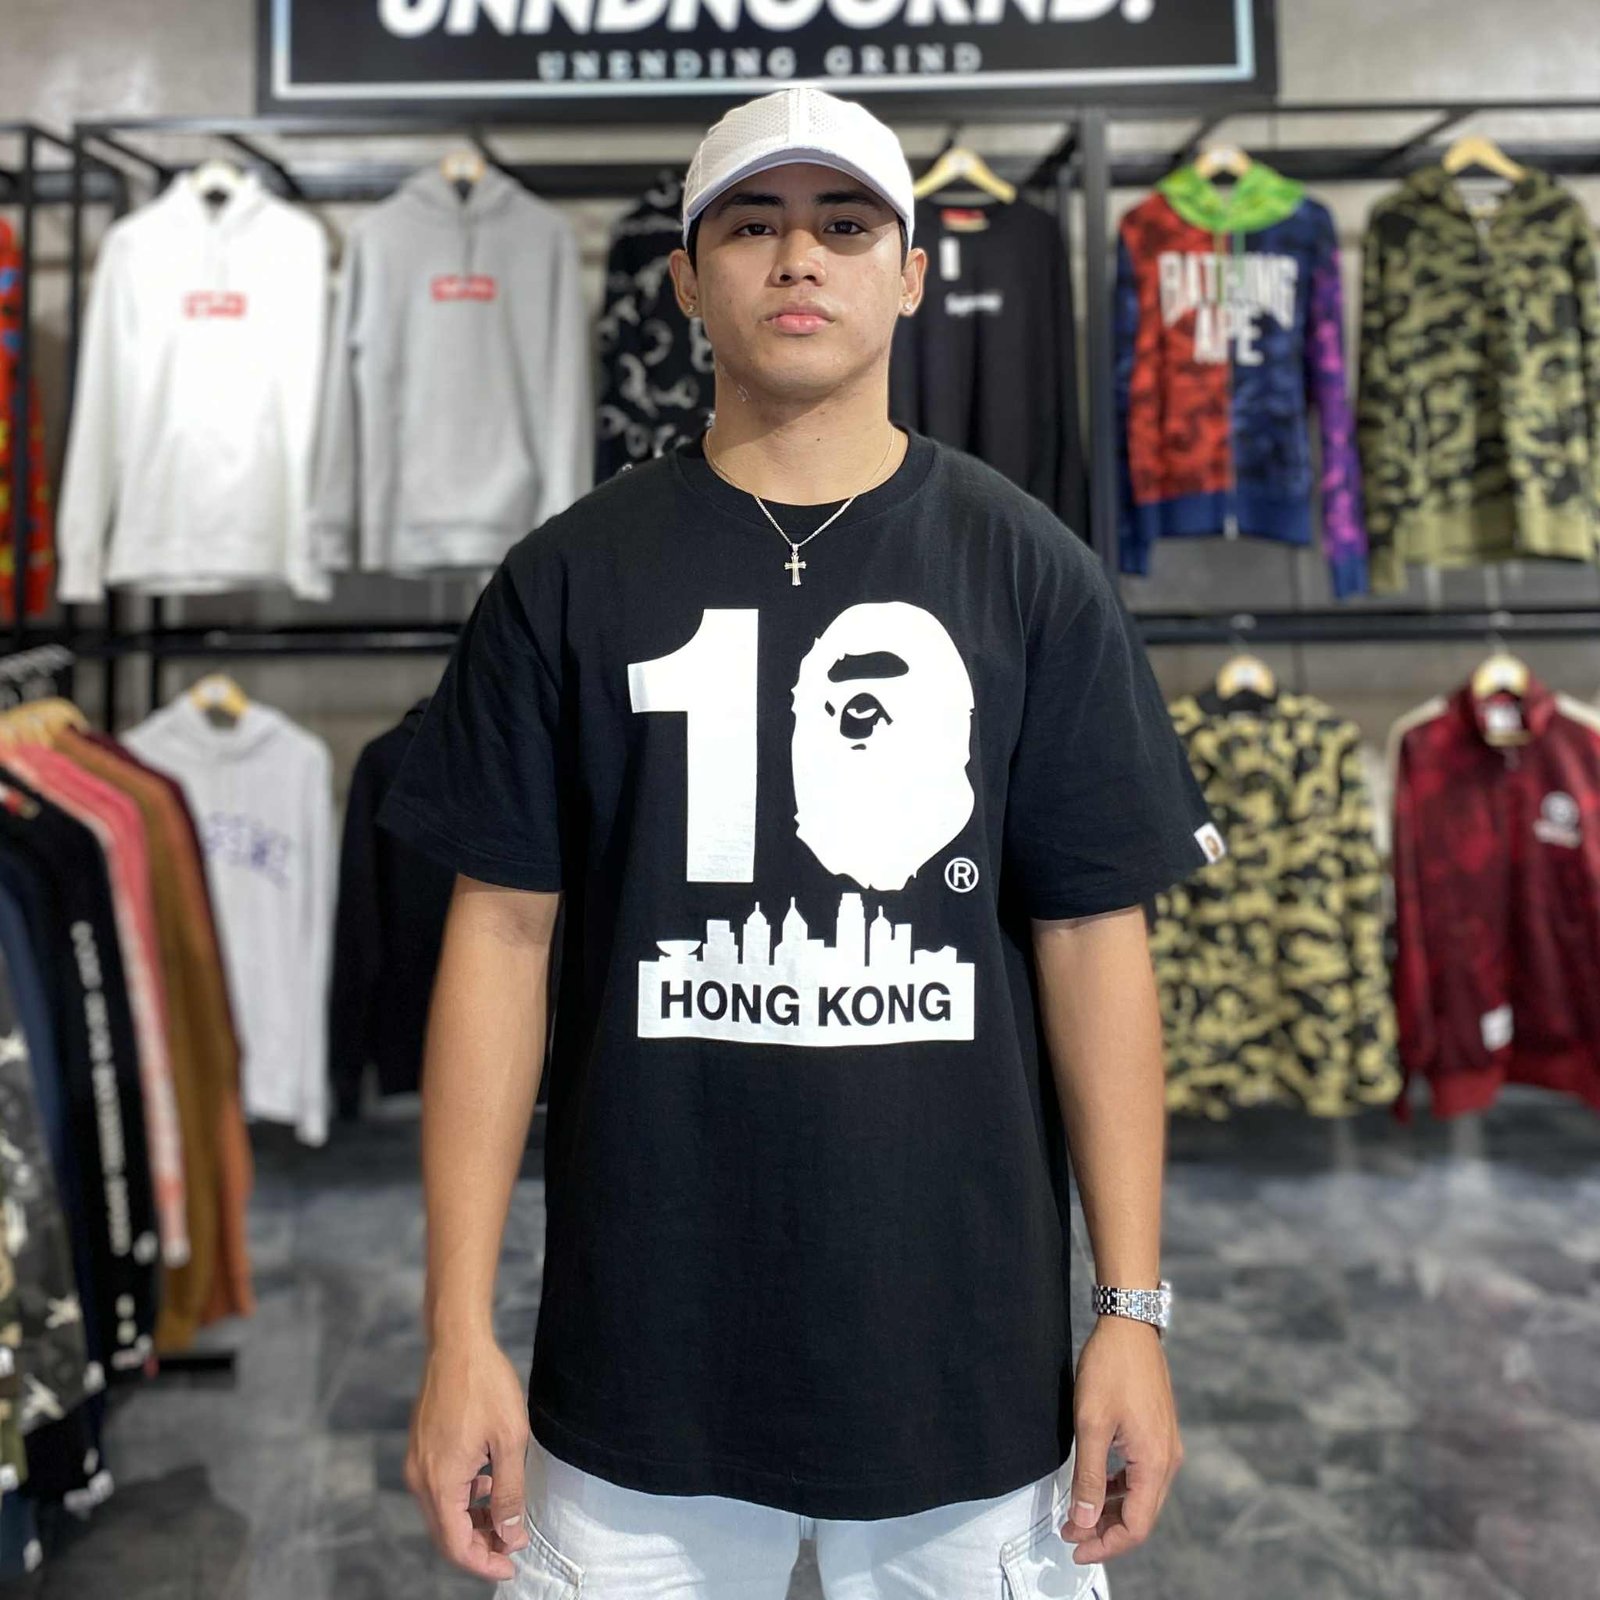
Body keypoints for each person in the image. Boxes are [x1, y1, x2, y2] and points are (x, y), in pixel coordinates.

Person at [379, 84, 1221, 1600]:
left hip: (971, 1387)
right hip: (636, 1383)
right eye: (751, 226)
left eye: (845, 224)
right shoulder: (564, 581)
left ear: (911, 275)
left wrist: (1132, 1314)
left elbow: (1094, 936)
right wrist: (456, 1333)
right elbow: (498, 938)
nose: (798, 259)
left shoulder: (1030, 570)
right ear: (686, 278)